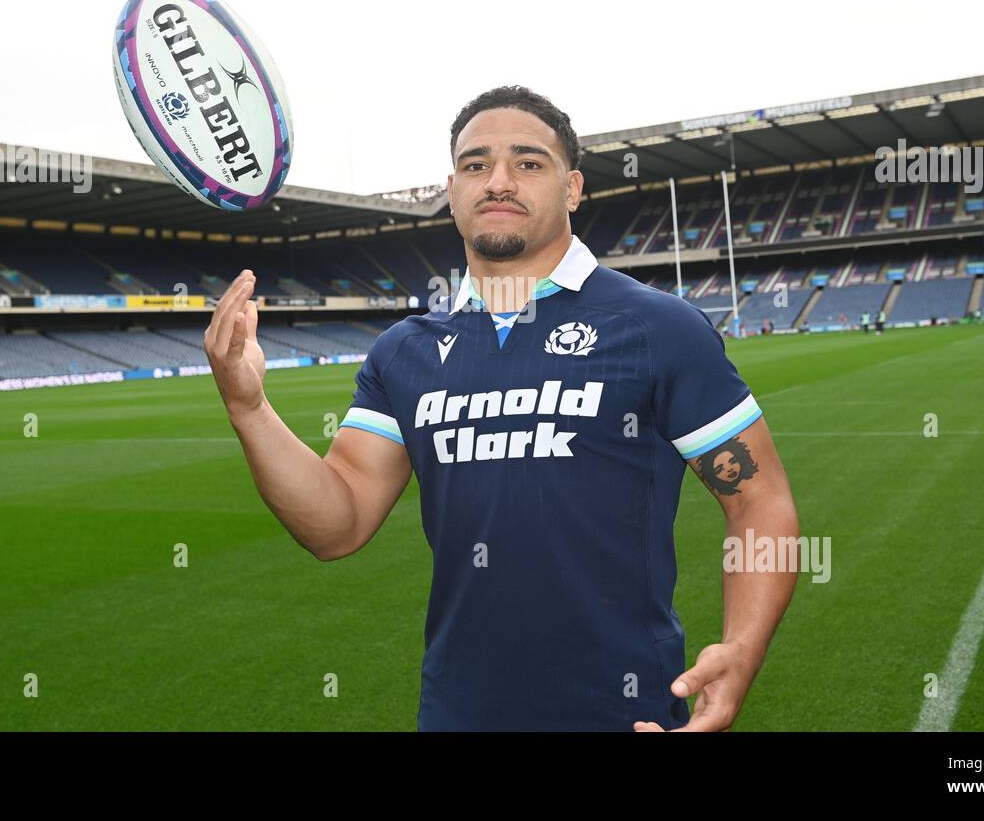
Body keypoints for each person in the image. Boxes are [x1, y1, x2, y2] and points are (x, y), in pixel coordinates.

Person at [203, 86, 799, 732]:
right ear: (453, 188)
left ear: (571, 188)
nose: (499, 181)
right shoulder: (405, 352)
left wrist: (743, 648)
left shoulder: (657, 327)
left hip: (622, 711)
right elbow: (336, 525)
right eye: (476, 164)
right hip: (459, 712)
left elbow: (759, 501)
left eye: (529, 163)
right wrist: (250, 406)